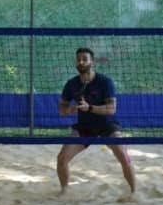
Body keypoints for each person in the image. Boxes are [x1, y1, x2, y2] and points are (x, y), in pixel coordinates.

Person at [57, 47, 136, 196]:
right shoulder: (72, 84)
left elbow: (111, 109)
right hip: (85, 127)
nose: (81, 62)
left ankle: (134, 192)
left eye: (84, 59)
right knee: (62, 158)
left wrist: (90, 108)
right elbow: (62, 109)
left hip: (107, 125)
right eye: (78, 59)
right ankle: (64, 192)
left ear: (92, 62)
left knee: (124, 156)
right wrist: (70, 109)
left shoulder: (105, 82)